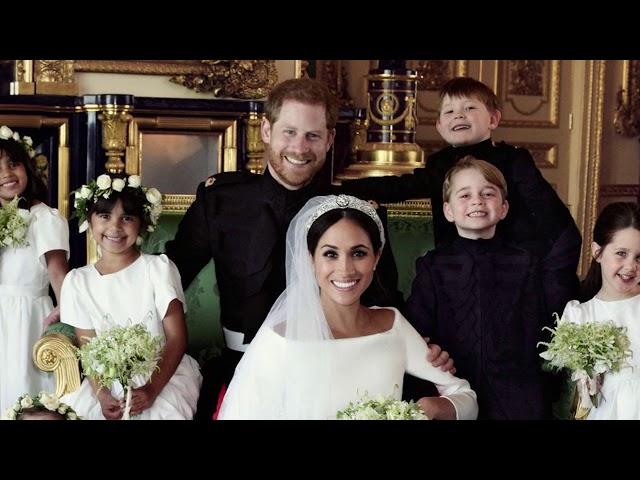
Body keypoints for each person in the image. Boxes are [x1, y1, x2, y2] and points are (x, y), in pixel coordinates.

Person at [164, 78, 453, 420]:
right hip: (243, 370)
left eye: (313, 135)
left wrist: (423, 346)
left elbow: (385, 298)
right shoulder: (221, 200)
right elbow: (166, 280)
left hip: (342, 374)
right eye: (289, 132)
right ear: (266, 130)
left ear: (329, 139)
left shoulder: (353, 210)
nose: (300, 148)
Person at [341, 76, 581, 322]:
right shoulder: (440, 164)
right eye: (450, 111)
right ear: (439, 125)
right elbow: (401, 186)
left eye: (469, 108)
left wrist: (551, 280)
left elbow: (556, 223)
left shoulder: (513, 160)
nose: (459, 115)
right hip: (459, 273)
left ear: (493, 119)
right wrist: (343, 189)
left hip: (514, 271)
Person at [218, 194, 478, 419]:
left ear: (376, 258)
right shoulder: (281, 340)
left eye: (359, 253)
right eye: (330, 254)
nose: (345, 269)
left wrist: (434, 407)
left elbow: (466, 398)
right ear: (310, 259)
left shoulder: (392, 325)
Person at [406, 156, 554, 419]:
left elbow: (535, 330)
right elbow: (419, 333)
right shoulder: (433, 266)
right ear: (448, 210)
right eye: (464, 195)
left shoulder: (525, 263)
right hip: (453, 388)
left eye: (488, 193)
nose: (477, 201)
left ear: (504, 207)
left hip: (515, 390)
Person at [59, 173, 202, 419]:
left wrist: (151, 389)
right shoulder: (77, 281)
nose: (115, 227)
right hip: (105, 379)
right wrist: (102, 394)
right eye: (104, 216)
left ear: (142, 224)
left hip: (160, 375)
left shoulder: (158, 269)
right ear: (89, 220)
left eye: (126, 218)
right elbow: (89, 350)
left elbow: (177, 338)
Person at [0, 126, 69, 413]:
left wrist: (65, 310)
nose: (7, 173)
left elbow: (58, 273)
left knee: (22, 389)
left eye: (14, 164)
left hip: (26, 317)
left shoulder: (45, 218)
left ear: (27, 167)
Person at [561, 202, 640, 419]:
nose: (631, 266)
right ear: (598, 252)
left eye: (639, 257)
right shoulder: (580, 315)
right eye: (621, 253)